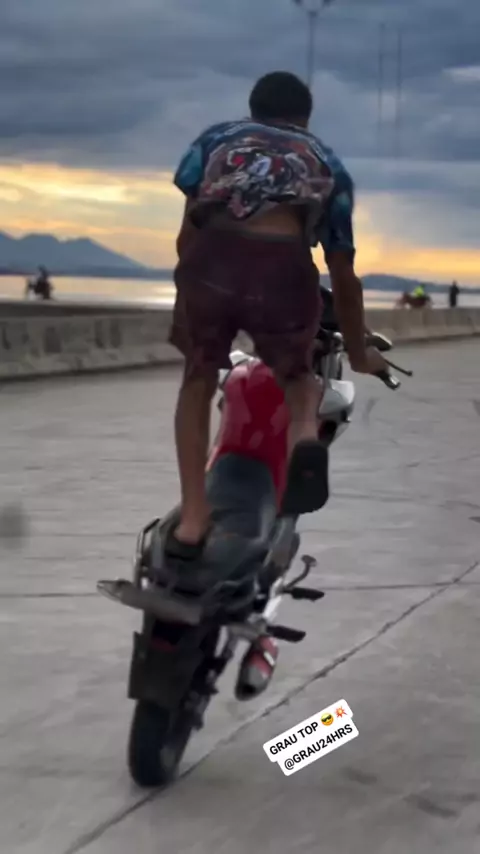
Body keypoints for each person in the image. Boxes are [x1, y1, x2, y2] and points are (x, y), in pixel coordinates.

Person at [167, 70, 388, 560]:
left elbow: (187, 236)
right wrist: (358, 352)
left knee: (198, 380)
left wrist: (197, 292)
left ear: (253, 111)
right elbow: (343, 273)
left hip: (212, 258)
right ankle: (304, 438)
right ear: (305, 119)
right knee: (299, 381)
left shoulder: (215, 139)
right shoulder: (325, 161)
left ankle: (193, 519)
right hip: (282, 265)